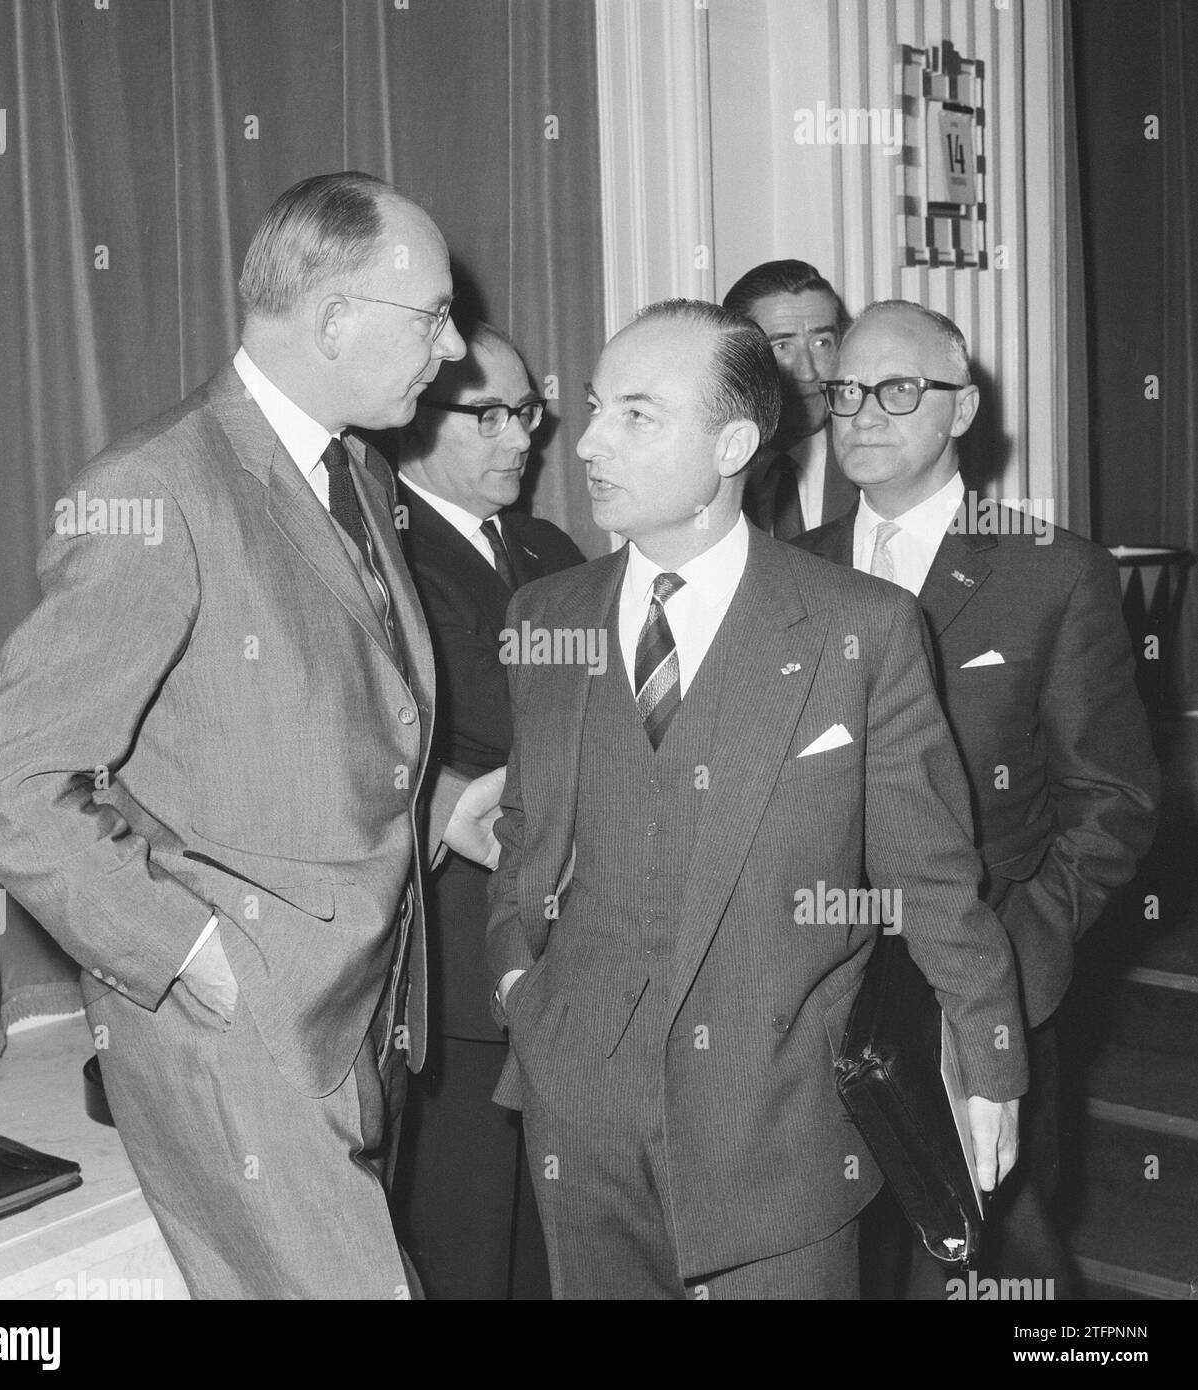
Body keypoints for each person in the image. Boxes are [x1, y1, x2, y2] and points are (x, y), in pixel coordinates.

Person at [0, 171, 506, 1299]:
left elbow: (303, 704)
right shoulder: (158, 489)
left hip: (362, 1007)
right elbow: (13, 777)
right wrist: (186, 950)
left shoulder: (348, 467)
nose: (450, 350)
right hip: (241, 1028)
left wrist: (439, 801)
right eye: (432, 315)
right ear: (334, 318)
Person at [485, 297, 1029, 1300]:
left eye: (636, 415)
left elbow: (930, 873)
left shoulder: (855, 627)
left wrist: (988, 1056)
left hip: (778, 1126)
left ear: (732, 441)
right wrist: (520, 986)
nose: (590, 440)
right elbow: (525, 832)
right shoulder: (544, 615)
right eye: (597, 407)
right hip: (580, 1116)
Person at [795, 299, 1159, 1298]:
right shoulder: (787, 566)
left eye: (898, 389)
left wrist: (1024, 945)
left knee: (991, 1253)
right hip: (813, 975)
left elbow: (1113, 798)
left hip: (980, 983)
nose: (863, 413)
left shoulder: (1049, 569)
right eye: (843, 393)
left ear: (961, 410)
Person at [390, 322, 583, 1299]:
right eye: (492, 416)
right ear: (415, 418)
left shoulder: (545, 545)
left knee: (550, 1250)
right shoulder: (381, 554)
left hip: (563, 953)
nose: (524, 438)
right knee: (467, 1243)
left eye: (529, 413)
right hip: (460, 972)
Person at [722, 258, 857, 538]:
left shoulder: (877, 460)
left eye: (821, 343)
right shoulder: (708, 473)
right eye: (782, 346)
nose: (808, 373)